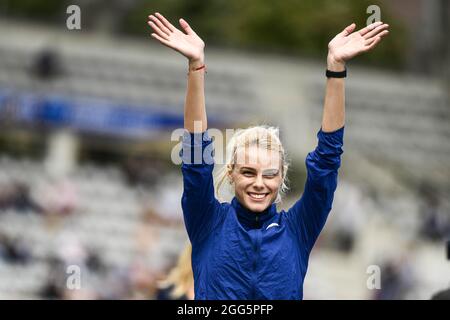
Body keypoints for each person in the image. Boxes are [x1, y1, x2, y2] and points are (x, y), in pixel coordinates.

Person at [148, 12, 389, 299]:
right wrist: (196, 66)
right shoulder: (208, 221)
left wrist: (336, 68)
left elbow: (327, 161)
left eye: (269, 174)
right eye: (248, 172)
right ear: (231, 173)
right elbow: (195, 155)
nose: (259, 183)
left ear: (282, 177)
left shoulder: (299, 229)